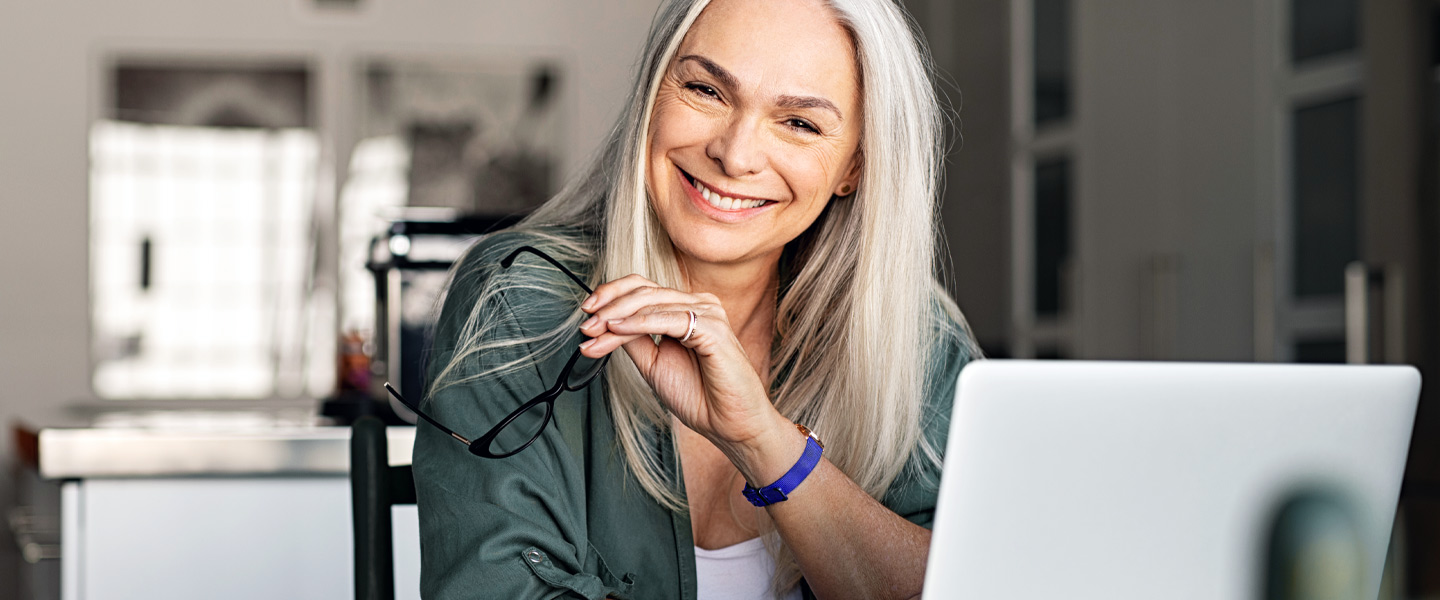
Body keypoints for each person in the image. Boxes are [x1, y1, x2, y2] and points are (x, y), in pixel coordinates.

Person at [410, 0, 980, 598]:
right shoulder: (518, 296)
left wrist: (764, 443)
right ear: (653, 93)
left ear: (854, 168)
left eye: (800, 124)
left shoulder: (917, 339)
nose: (734, 155)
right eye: (707, 90)